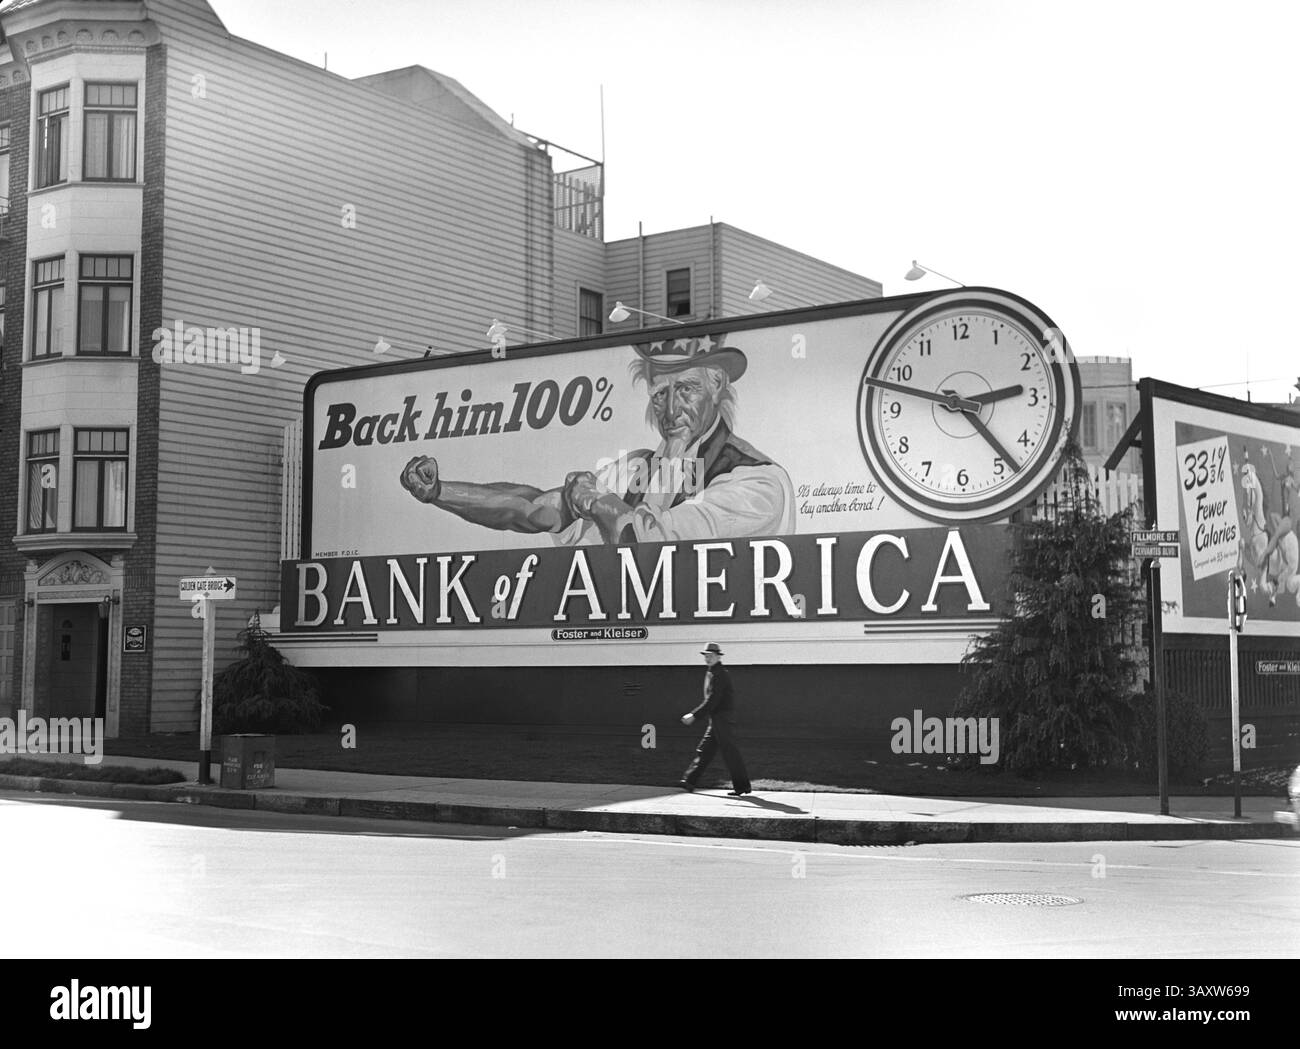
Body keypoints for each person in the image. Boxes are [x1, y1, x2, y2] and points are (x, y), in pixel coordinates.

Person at [398, 335, 795, 544]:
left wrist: (594, 499)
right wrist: (440, 491)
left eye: (687, 389)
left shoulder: (757, 482)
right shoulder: (637, 468)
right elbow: (535, 509)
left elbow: (652, 544)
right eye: (660, 393)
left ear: (717, 385)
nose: (671, 409)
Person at [679, 643, 752, 796]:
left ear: (718, 657)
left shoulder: (719, 674)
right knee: (705, 750)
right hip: (717, 719)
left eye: (711, 656)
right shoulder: (713, 672)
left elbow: (713, 699)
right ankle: (690, 781)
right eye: (706, 656)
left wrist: (694, 715)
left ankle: (742, 786)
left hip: (722, 718)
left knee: (730, 752)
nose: (708, 658)